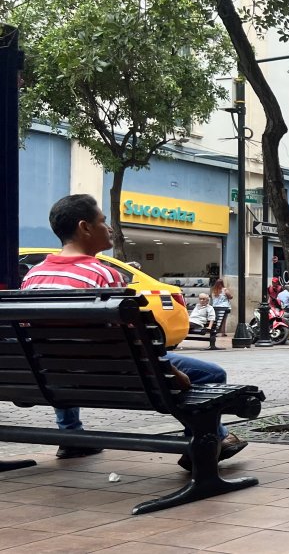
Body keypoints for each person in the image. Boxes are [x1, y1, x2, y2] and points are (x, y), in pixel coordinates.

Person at [21, 194, 247, 465]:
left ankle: (71, 437)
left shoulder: (33, 276)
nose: (110, 228)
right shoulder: (102, 274)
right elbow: (130, 341)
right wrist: (172, 373)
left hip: (52, 376)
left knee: (61, 356)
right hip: (114, 375)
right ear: (85, 227)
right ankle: (205, 444)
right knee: (212, 373)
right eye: (103, 221)